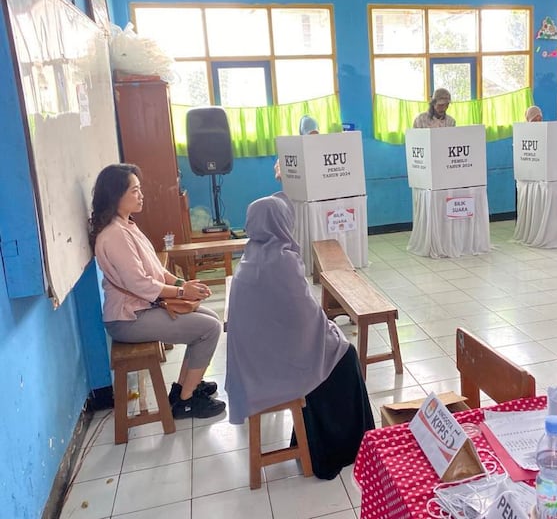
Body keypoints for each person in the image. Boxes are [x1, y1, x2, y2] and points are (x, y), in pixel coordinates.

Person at [225, 192, 374, 480]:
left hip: (255, 364)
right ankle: (344, 445)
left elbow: (296, 320)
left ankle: (315, 437)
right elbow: (307, 321)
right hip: (275, 368)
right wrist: (329, 332)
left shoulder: (249, 258)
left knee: (334, 352)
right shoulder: (281, 262)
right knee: (344, 357)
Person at [89, 164, 226, 419]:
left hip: (142, 308)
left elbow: (155, 270)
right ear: (116, 196)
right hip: (128, 319)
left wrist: (182, 285)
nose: (141, 195)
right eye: (135, 191)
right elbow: (140, 285)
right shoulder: (114, 235)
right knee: (209, 329)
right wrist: (182, 293)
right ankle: (186, 401)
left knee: (210, 318)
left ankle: (184, 387)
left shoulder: (127, 225)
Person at [274, 115, 320, 180]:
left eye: (316, 135)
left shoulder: (323, 150)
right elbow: (278, 173)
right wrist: (280, 171)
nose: (312, 139)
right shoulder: (293, 151)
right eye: (309, 136)